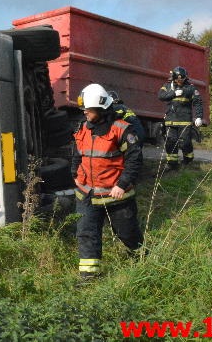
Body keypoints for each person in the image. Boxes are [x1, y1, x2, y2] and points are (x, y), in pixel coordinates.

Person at [71, 83, 144, 280]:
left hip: (116, 195)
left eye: (87, 108)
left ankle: (142, 259)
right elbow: (77, 154)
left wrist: (122, 184)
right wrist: (75, 174)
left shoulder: (122, 130)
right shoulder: (82, 128)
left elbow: (135, 159)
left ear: (100, 107)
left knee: (127, 233)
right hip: (87, 194)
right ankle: (89, 277)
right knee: (86, 233)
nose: (84, 112)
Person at [158, 67, 204, 169]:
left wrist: (199, 117)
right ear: (174, 78)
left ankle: (188, 160)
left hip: (184, 121)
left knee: (185, 142)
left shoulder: (191, 88)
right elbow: (161, 96)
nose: (180, 82)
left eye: (182, 80)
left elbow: (198, 103)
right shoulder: (167, 86)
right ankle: (172, 164)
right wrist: (173, 93)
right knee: (170, 142)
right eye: (178, 80)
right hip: (171, 120)